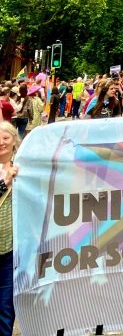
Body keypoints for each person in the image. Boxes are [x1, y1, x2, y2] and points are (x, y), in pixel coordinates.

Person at [0, 122, 19, 335]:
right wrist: (4, 183)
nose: (1, 143)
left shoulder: (26, 168)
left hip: (10, 254)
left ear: (14, 140)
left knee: (5, 309)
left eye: (6, 138)